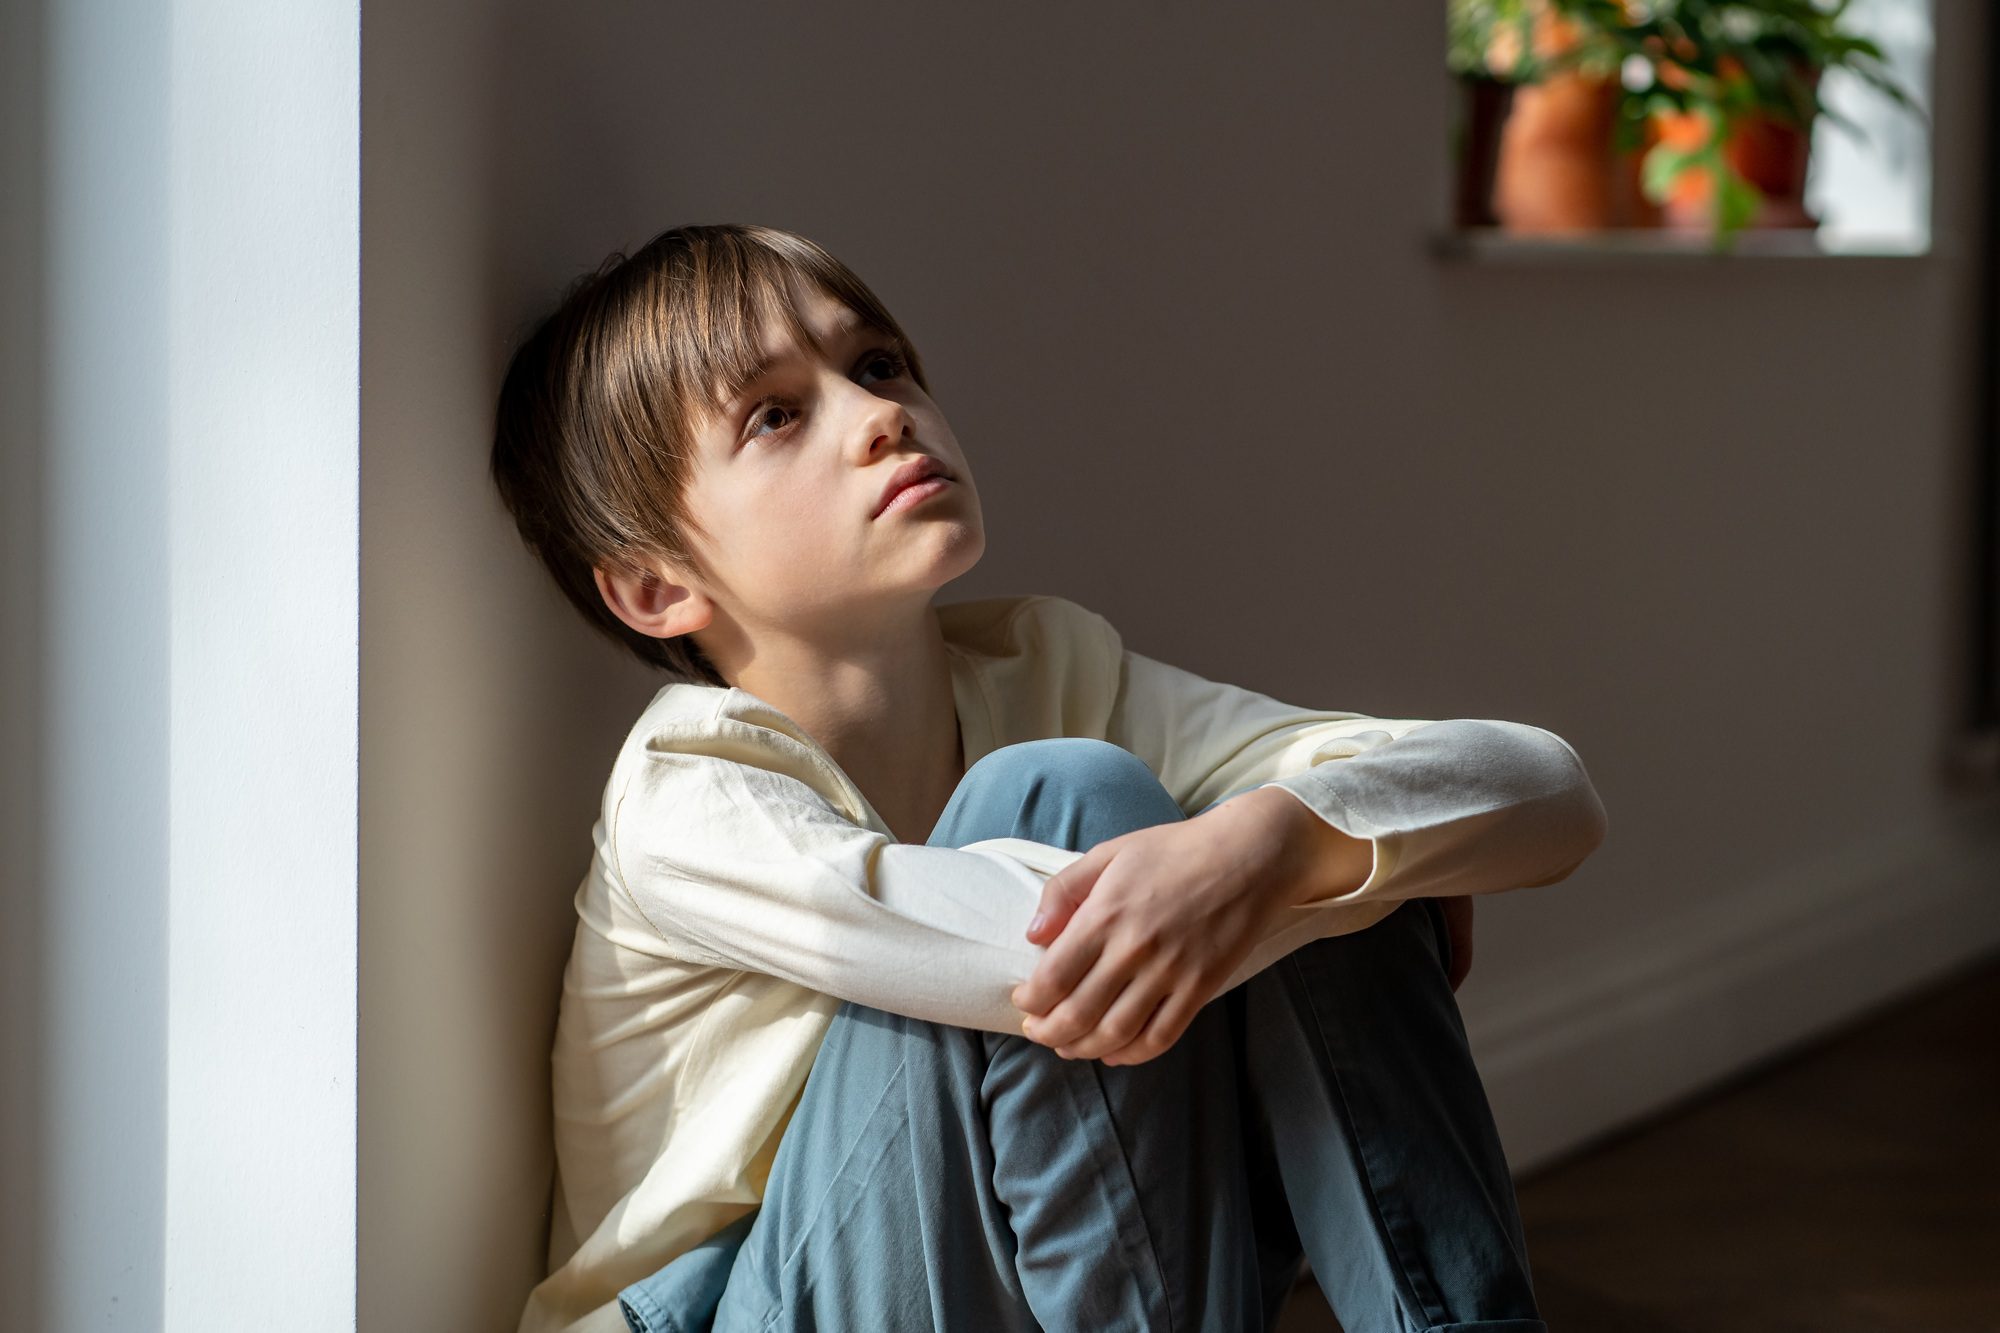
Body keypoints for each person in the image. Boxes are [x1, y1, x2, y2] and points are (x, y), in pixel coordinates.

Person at [490, 223, 1608, 1333]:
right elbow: (1068, 959)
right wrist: (1333, 861)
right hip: (738, 1308)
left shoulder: (1044, 665)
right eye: (775, 415)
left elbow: (1547, 791)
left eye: (876, 364)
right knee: (1103, 812)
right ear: (652, 588)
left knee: (1308, 816)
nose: (882, 415)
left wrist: (1296, 839)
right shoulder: (689, 794)